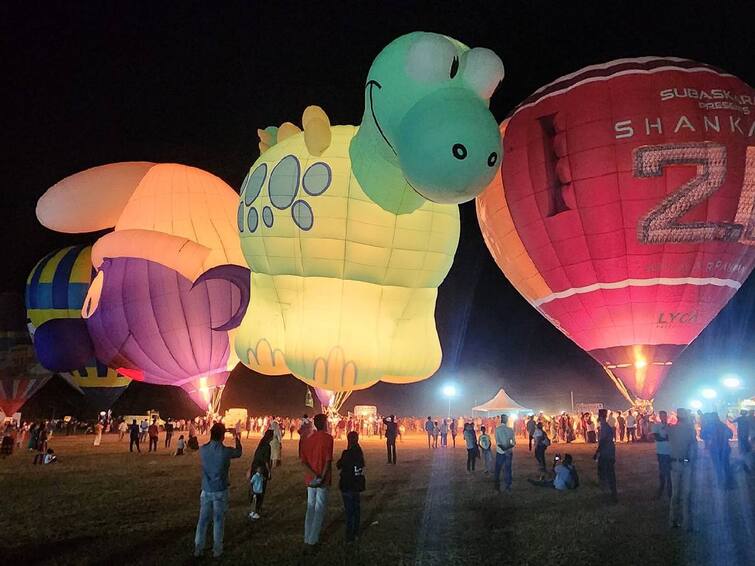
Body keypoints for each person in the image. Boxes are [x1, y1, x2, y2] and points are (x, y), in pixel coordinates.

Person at [194, 423, 242, 558]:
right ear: (222, 436)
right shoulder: (226, 452)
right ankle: (217, 550)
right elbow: (239, 452)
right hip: (220, 489)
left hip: (206, 489)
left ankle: (198, 547)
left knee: (202, 521)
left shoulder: (203, 449)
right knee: (218, 521)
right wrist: (237, 437)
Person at [300, 413, 333, 549]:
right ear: (324, 424)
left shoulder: (308, 439)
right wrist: (321, 476)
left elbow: (303, 462)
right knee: (319, 509)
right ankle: (313, 540)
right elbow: (328, 460)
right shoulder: (328, 438)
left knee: (310, 507)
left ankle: (307, 537)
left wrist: (313, 475)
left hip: (310, 479)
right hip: (322, 479)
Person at [668, 408, 697, 529]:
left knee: (675, 494)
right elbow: (693, 447)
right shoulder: (690, 430)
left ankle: (673, 520)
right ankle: (687, 522)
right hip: (686, 463)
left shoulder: (671, 430)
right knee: (687, 493)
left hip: (674, 463)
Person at [336, 431, 365, 543]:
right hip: (356, 484)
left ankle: (350, 535)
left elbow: (339, 465)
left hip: (347, 484)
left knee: (349, 512)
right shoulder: (359, 452)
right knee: (356, 510)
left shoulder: (347, 453)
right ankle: (356, 532)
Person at [703, 412, 733, 488]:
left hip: (715, 449)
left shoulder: (709, 426)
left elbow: (702, 435)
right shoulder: (723, 425)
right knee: (726, 465)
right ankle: (728, 483)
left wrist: (709, 437)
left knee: (717, 467)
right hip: (725, 448)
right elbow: (730, 435)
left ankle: (720, 482)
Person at [248, 430, 273, 520]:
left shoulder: (260, 445)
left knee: (254, 490)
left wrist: (250, 469)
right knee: (260, 490)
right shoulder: (267, 446)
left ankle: (254, 508)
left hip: (255, 469)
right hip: (261, 470)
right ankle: (256, 509)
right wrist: (269, 471)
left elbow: (255, 457)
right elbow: (266, 460)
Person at [594, 408, 617, 503]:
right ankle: (610, 491)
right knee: (607, 472)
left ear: (600, 417)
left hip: (606, 453)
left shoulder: (604, 427)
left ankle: (611, 493)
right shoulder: (606, 426)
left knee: (607, 473)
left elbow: (603, 441)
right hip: (609, 452)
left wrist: (597, 452)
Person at [652, 410, 672, 498]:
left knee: (670, 471)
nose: (664, 417)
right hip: (661, 452)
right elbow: (657, 437)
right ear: (659, 417)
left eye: (665, 416)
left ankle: (669, 488)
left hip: (670, 451)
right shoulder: (656, 426)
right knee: (662, 470)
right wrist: (667, 438)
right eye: (662, 416)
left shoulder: (670, 426)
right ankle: (662, 487)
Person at [494, 414, 515, 492]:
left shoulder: (497, 429)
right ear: (507, 420)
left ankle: (497, 486)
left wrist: (504, 449)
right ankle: (508, 486)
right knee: (508, 469)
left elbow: (498, 442)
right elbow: (513, 442)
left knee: (498, 469)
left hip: (500, 452)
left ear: (501, 420)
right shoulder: (510, 430)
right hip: (508, 452)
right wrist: (507, 449)